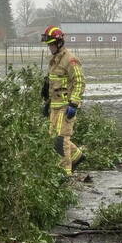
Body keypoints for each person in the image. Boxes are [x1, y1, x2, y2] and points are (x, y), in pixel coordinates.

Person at [41, 26, 86, 175]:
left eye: (51, 44)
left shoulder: (70, 60)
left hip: (66, 107)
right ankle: (77, 156)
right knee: (52, 137)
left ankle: (64, 173)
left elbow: (79, 82)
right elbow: (55, 83)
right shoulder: (54, 61)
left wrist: (74, 104)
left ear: (59, 43)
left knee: (60, 140)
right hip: (55, 106)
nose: (49, 47)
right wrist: (47, 102)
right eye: (48, 44)